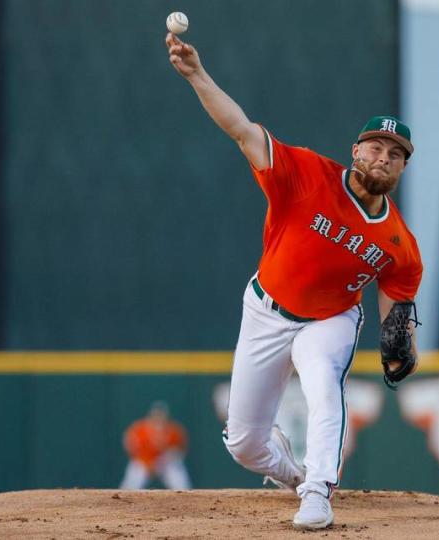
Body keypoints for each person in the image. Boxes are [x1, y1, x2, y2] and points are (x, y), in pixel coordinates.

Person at [165, 32, 423, 531]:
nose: (383, 157)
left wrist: (400, 342)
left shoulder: (400, 244)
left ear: (403, 167)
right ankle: (292, 473)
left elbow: (397, 307)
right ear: (356, 150)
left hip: (329, 320)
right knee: (244, 444)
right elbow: (240, 129)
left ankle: (318, 491)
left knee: (324, 386)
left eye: (395, 153)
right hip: (265, 309)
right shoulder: (305, 173)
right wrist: (197, 74)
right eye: (376, 146)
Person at [119, 402, 192, 490]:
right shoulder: (140, 429)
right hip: (145, 461)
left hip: (165, 463)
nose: (159, 418)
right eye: (156, 415)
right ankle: (123, 497)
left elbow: (181, 450)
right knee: (134, 476)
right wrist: (141, 459)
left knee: (178, 477)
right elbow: (128, 443)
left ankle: (185, 496)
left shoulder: (174, 431)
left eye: (161, 416)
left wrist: (172, 456)